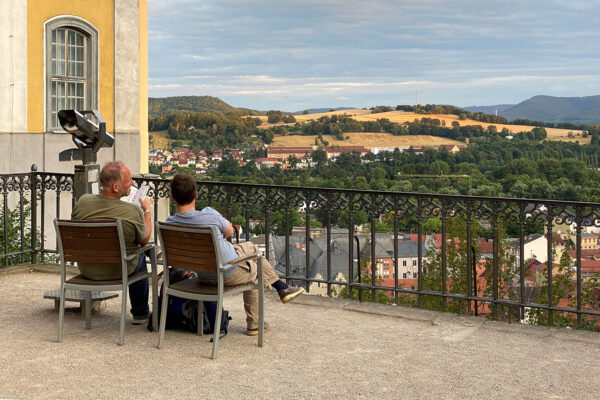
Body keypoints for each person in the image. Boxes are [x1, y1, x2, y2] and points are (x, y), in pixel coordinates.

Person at [166, 173, 304, 336]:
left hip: (201, 273)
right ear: (196, 195)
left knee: (250, 247)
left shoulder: (169, 223)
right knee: (256, 268)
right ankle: (257, 320)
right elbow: (230, 231)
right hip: (224, 272)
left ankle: (282, 288)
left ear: (173, 198)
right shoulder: (209, 216)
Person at [71, 161, 153, 325]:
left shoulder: (83, 202)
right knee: (142, 251)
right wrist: (147, 211)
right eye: (129, 180)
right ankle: (140, 313)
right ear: (116, 188)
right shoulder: (132, 211)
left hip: (88, 268)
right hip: (118, 270)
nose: (132, 183)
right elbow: (144, 239)